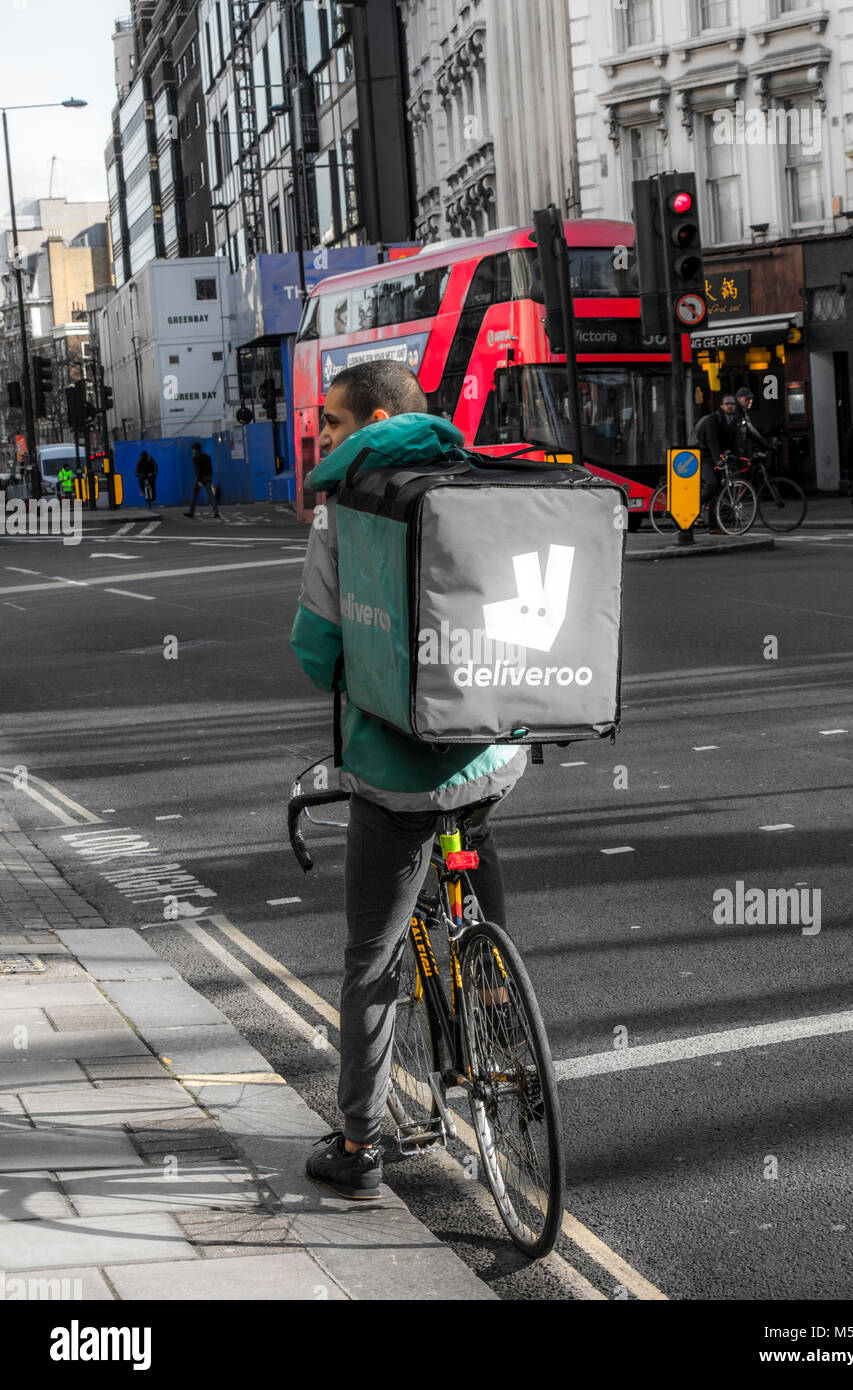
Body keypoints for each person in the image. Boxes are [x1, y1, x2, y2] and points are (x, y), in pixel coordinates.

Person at [290, 362, 527, 1200]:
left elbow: (317, 651)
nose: (320, 442)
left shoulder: (345, 513)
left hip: (396, 776)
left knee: (370, 956)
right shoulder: (476, 481)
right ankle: (503, 1020)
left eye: (329, 426)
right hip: (493, 752)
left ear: (375, 418)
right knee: (477, 822)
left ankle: (359, 1142)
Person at [695, 394, 740, 530]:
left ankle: (715, 527)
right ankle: (695, 508)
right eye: (727, 403)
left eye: (732, 403)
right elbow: (711, 440)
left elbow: (735, 441)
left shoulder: (734, 419)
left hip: (718, 457)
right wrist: (717, 460)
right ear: (721, 406)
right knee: (711, 484)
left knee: (719, 491)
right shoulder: (713, 419)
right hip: (706, 457)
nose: (730, 406)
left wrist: (740, 456)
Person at [184, 442, 220, 517]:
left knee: (194, 494)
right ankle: (216, 512)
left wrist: (199, 481)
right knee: (211, 495)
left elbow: (197, 470)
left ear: (194, 449)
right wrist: (210, 477)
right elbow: (210, 468)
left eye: (192, 449)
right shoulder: (207, 456)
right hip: (208, 477)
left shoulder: (195, 457)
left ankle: (191, 512)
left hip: (200, 478)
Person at [733, 387, 770, 456]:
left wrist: (765, 444)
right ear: (739, 399)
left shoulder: (742, 413)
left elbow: (751, 430)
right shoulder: (733, 413)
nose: (750, 401)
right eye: (747, 399)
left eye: (751, 399)